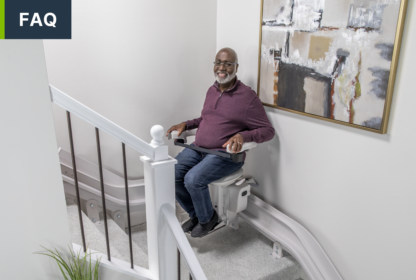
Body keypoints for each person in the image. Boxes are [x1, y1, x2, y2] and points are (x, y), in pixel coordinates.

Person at [166, 48, 275, 238]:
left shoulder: (247, 97)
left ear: (236, 67)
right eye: (218, 62)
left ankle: (208, 219)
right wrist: (186, 124)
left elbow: (268, 131)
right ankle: (196, 215)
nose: (221, 67)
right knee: (172, 174)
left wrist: (244, 136)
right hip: (198, 149)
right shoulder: (212, 90)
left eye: (227, 63)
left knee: (192, 179)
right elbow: (205, 119)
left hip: (225, 155)